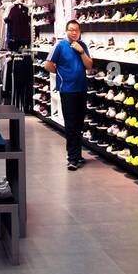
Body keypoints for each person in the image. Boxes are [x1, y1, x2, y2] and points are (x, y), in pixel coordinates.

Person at [43, 19, 93, 169]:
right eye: (71, 30)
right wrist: (60, 74)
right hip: (67, 90)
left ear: (79, 32)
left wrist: (81, 51)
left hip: (81, 88)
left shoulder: (82, 45)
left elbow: (89, 66)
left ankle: (77, 155)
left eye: (76, 30)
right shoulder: (60, 45)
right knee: (71, 124)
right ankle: (72, 158)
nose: (74, 32)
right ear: (67, 31)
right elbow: (47, 65)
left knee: (78, 123)